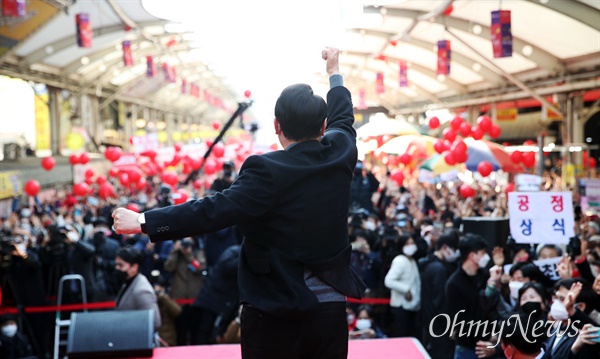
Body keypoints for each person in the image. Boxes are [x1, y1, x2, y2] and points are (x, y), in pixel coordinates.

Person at [112, 47, 366, 359]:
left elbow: (212, 210)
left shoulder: (267, 169)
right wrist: (334, 72)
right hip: (329, 311)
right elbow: (343, 115)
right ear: (323, 127)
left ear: (276, 126)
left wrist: (143, 222)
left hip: (274, 312)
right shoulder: (341, 152)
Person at [445, 233, 492, 359]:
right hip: (467, 347)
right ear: (472, 256)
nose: (486, 257)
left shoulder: (485, 276)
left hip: (489, 344)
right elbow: (459, 320)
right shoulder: (454, 283)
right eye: (482, 253)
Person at [419, 230, 460, 359]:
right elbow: (441, 300)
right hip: (439, 325)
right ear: (445, 248)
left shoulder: (428, 263)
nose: (456, 253)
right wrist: (450, 325)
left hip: (428, 321)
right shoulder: (439, 269)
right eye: (454, 249)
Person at [114, 246, 162, 331]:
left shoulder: (142, 291)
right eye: (116, 265)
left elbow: (154, 322)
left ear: (134, 267)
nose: (117, 268)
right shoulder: (128, 282)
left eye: (121, 265)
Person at [384, 234, 421, 338]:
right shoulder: (400, 260)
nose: (411, 246)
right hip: (401, 306)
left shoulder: (412, 260)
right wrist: (406, 290)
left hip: (411, 306)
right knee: (401, 335)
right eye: (407, 244)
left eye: (412, 243)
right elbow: (388, 281)